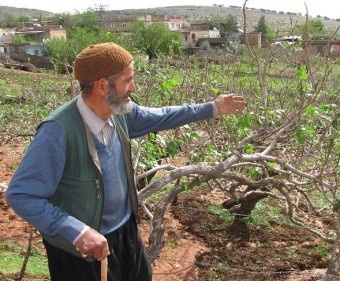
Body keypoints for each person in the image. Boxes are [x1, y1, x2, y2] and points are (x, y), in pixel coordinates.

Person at [6, 42, 246, 281]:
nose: (134, 87)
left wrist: (212, 108)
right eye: (127, 80)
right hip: (81, 251)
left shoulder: (120, 114)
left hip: (125, 234)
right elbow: (21, 195)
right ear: (102, 86)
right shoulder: (58, 132)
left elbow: (163, 115)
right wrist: (77, 232)